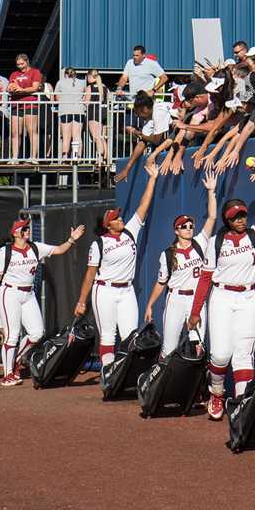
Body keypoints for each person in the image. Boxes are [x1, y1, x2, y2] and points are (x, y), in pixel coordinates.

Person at [192, 167, 255, 419]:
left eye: (243, 215)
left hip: (248, 297)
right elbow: (205, 278)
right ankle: (217, 392)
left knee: (243, 356)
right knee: (221, 353)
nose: (241, 219)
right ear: (227, 221)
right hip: (222, 297)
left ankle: (243, 406)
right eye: (236, 217)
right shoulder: (216, 242)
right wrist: (195, 311)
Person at [76, 156, 160, 369]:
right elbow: (90, 274)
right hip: (104, 289)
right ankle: (108, 372)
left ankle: (124, 372)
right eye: (116, 218)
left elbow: (143, 206)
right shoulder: (99, 244)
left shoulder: (130, 232)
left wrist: (152, 179)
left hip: (126, 290)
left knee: (130, 333)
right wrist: (81, 301)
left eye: (119, 216)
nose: (120, 219)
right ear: (108, 225)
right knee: (107, 334)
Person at [0, 219, 85, 386]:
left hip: (28, 293)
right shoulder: (5, 251)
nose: (28, 230)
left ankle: (15, 359)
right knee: (12, 335)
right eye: (24, 228)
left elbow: (59, 250)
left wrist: (72, 239)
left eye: (28, 227)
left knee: (37, 333)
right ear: (16, 233)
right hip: (10, 293)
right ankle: (8, 374)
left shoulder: (35, 247)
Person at [143, 171, 218, 358]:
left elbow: (212, 218)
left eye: (191, 225)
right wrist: (150, 305)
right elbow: (161, 282)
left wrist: (211, 191)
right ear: (176, 231)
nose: (189, 228)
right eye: (184, 226)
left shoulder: (200, 242)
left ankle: (196, 385)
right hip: (175, 299)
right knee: (169, 347)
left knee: (198, 345)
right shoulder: (168, 254)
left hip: (196, 300)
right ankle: (164, 384)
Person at [8, 53, 43, 162]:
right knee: (15, 132)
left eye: (22, 64)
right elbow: (10, 86)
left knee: (32, 131)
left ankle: (33, 157)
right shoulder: (14, 74)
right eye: (18, 64)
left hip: (30, 104)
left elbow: (35, 87)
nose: (20, 67)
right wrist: (11, 88)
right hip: (16, 105)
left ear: (27, 62)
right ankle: (14, 157)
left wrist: (21, 90)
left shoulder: (35, 72)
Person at [55, 67, 86, 162]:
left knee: (66, 136)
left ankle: (65, 157)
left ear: (65, 74)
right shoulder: (82, 82)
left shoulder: (60, 82)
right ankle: (78, 156)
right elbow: (84, 96)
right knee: (77, 135)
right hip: (79, 110)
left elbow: (56, 97)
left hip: (65, 110)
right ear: (75, 74)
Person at [84, 70, 110, 163]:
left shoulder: (89, 87)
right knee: (102, 136)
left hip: (93, 113)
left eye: (88, 77)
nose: (87, 79)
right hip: (103, 113)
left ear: (91, 77)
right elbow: (109, 100)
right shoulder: (105, 87)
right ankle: (106, 157)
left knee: (96, 137)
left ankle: (99, 157)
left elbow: (86, 102)